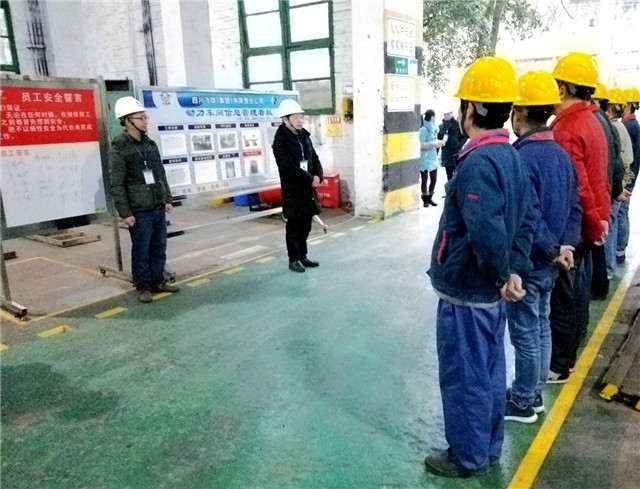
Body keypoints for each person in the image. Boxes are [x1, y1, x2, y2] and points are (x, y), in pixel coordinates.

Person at [425, 57, 534, 478]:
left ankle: (466, 456)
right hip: (489, 291)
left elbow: (486, 233)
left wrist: (501, 274)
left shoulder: (477, 163)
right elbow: (527, 219)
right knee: (489, 371)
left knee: (465, 376)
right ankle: (487, 448)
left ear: (469, 109)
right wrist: (512, 271)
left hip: (468, 292)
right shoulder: (512, 157)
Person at [505, 71, 582, 424]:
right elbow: (574, 206)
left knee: (525, 331)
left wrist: (552, 249)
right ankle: (534, 393)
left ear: (518, 113)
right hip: (552, 264)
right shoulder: (561, 155)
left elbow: (528, 218)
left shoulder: (520, 158)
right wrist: (566, 247)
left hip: (529, 263)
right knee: (541, 326)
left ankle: (523, 400)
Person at [548, 52, 610, 383]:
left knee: (563, 298)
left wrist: (590, 226)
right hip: (590, 224)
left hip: (575, 229)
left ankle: (560, 363)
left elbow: (579, 187)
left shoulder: (568, 128)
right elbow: (600, 180)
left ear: (562, 89)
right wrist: (601, 220)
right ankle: (572, 347)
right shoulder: (593, 120)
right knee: (578, 291)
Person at [108, 96, 179, 303]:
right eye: (141, 118)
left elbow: (160, 173)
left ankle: (158, 281)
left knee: (159, 247)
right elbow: (117, 184)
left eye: (145, 117)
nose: (145, 121)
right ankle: (143, 286)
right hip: (139, 210)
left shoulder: (150, 144)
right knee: (141, 250)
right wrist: (125, 213)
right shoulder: (119, 148)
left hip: (156, 205)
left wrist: (167, 198)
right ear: (127, 120)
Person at [272, 99, 323, 273]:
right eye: (295, 117)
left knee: (306, 224)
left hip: (307, 188)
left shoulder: (304, 136)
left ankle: (303, 256)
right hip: (293, 189)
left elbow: (314, 157)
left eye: (301, 116)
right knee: (295, 226)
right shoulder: (280, 141)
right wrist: (309, 178)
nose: (300, 120)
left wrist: (318, 176)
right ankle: (293, 259)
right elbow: (287, 167)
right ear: (285, 119)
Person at [589, 83, 625, 300]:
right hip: (606, 192)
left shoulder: (593, 123)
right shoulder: (604, 123)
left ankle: (601, 283)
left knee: (598, 245)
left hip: (600, 196)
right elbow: (617, 162)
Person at [605, 87, 633, 280]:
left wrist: (618, 188)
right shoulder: (621, 127)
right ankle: (615, 260)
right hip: (621, 182)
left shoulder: (615, 128)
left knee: (611, 226)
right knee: (615, 222)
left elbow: (616, 162)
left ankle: (608, 268)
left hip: (618, 185)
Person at [618, 87, 640, 264]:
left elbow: (631, 157)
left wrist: (628, 180)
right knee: (622, 213)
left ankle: (619, 250)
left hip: (626, 179)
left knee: (621, 213)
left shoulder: (629, 126)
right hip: (629, 177)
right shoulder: (632, 126)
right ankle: (620, 250)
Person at [419, 109, 444, 207]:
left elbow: (433, 140)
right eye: (434, 116)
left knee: (434, 179)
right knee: (425, 179)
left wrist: (439, 143)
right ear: (432, 117)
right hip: (424, 158)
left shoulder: (434, 128)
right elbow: (421, 145)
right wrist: (434, 144)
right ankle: (425, 200)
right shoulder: (424, 129)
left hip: (433, 157)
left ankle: (430, 198)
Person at [437, 111, 468, 181]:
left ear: (451, 113)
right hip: (446, 154)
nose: (446, 116)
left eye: (448, 114)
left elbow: (464, 136)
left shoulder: (458, 125)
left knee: (458, 174)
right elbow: (438, 140)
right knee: (449, 176)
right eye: (445, 114)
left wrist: (459, 145)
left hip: (456, 153)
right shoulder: (441, 127)